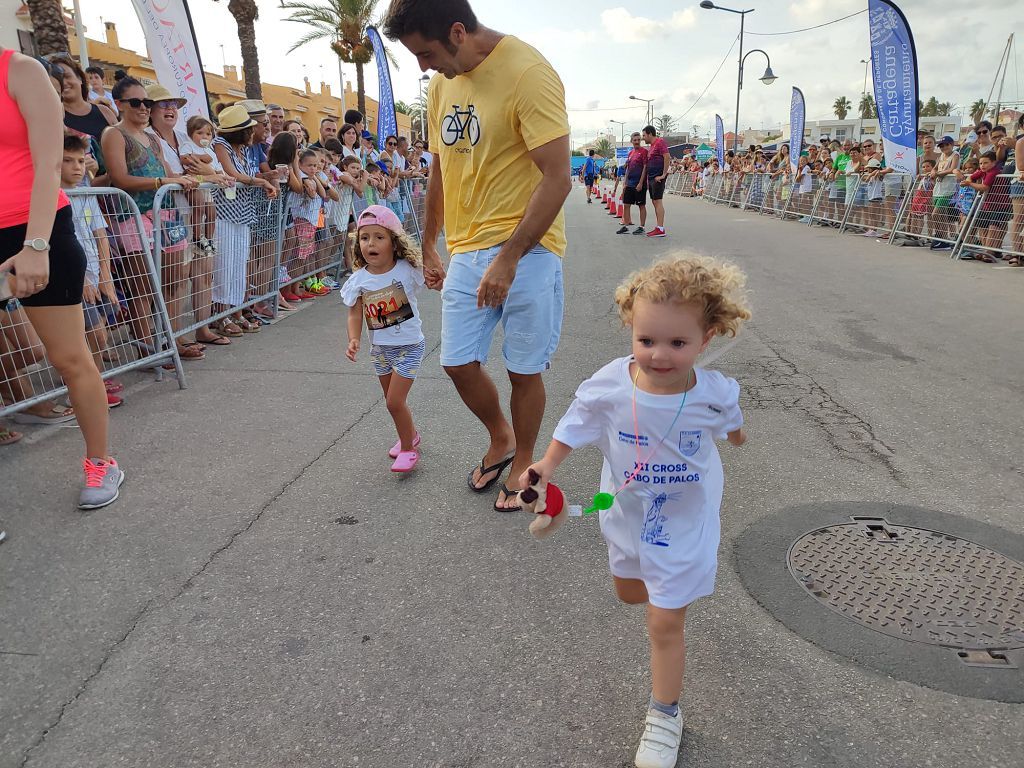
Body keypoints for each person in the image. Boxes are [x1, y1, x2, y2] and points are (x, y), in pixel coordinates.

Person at [522, 256, 750, 768]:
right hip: (624, 507)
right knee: (630, 594)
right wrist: (547, 465)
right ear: (631, 328)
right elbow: (573, 425)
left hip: (685, 519)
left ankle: (664, 714)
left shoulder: (714, 395)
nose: (660, 355)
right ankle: (657, 589)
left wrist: (735, 435)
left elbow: (733, 424)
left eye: (677, 343)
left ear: (707, 338)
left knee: (663, 621)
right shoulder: (608, 386)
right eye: (647, 341)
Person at [385, 0, 571, 512]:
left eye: (425, 53)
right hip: (467, 250)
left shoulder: (528, 72)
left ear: (458, 31)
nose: (424, 67)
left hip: (527, 252)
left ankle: (524, 457)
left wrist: (510, 258)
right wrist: (426, 242)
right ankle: (501, 435)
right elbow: (441, 169)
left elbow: (558, 177)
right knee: (457, 362)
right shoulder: (443, 84)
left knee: (523, 369)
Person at [0, 48, 123, 508]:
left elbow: (51, 162)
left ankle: (101, 463)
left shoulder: (20, 71)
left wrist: (35, 245)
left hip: (35, 231)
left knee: (70, 357)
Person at [342, 206, 426, 472]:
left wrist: (440, 277)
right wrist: (354, 339)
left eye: (379, 237)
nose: (371, 243)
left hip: (409, 346)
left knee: (394, 402)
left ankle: (408, 450)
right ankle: (409, 435)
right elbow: (355, 313)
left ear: (393, 241)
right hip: (380, 350)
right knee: (392, 403)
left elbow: (434, 282)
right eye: (365, 238)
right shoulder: (359, 279)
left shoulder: (408, 270)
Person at [61, 135, 124, 408]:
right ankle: (84, 390)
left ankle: (94, 382)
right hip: (73, 277)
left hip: (97, 274)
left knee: (101, 333)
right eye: (67, 161)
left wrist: (106, 276)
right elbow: (63, 242)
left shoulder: (87, 194)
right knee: (93, 333)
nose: (76, 167)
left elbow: (101, 237)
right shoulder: (55, 197)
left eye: (79, 160)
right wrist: (84, 278)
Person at [617, 132, 648, 235]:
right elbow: (628, 169)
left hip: (639, 184)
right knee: (626, 205)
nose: (637, 142)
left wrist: (640, 183)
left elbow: (645, 167)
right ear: (632, 141)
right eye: (635, 140)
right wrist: (625, 183)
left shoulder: (644, 152)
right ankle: (625, 226)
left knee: (641, 205)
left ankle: (641, 227)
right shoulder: (630, 153)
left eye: (639, 140)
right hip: (629, 183)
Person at [641, 125, 668, 237]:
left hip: (657, 177)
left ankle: (661, 228)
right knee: (654, 201)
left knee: (658, 201)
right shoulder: (652, 146)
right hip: (652, 178)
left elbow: (667, 157)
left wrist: (663, 175)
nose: (643, 138)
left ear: (650, 134)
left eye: (644, 135)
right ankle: (658, 227)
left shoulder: (660, 142)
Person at [1009, 114, 1024, 266]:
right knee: (1018, 219)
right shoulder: (1021, 141)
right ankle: (1017, 253)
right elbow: (1021, 166)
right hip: (1020, 184)